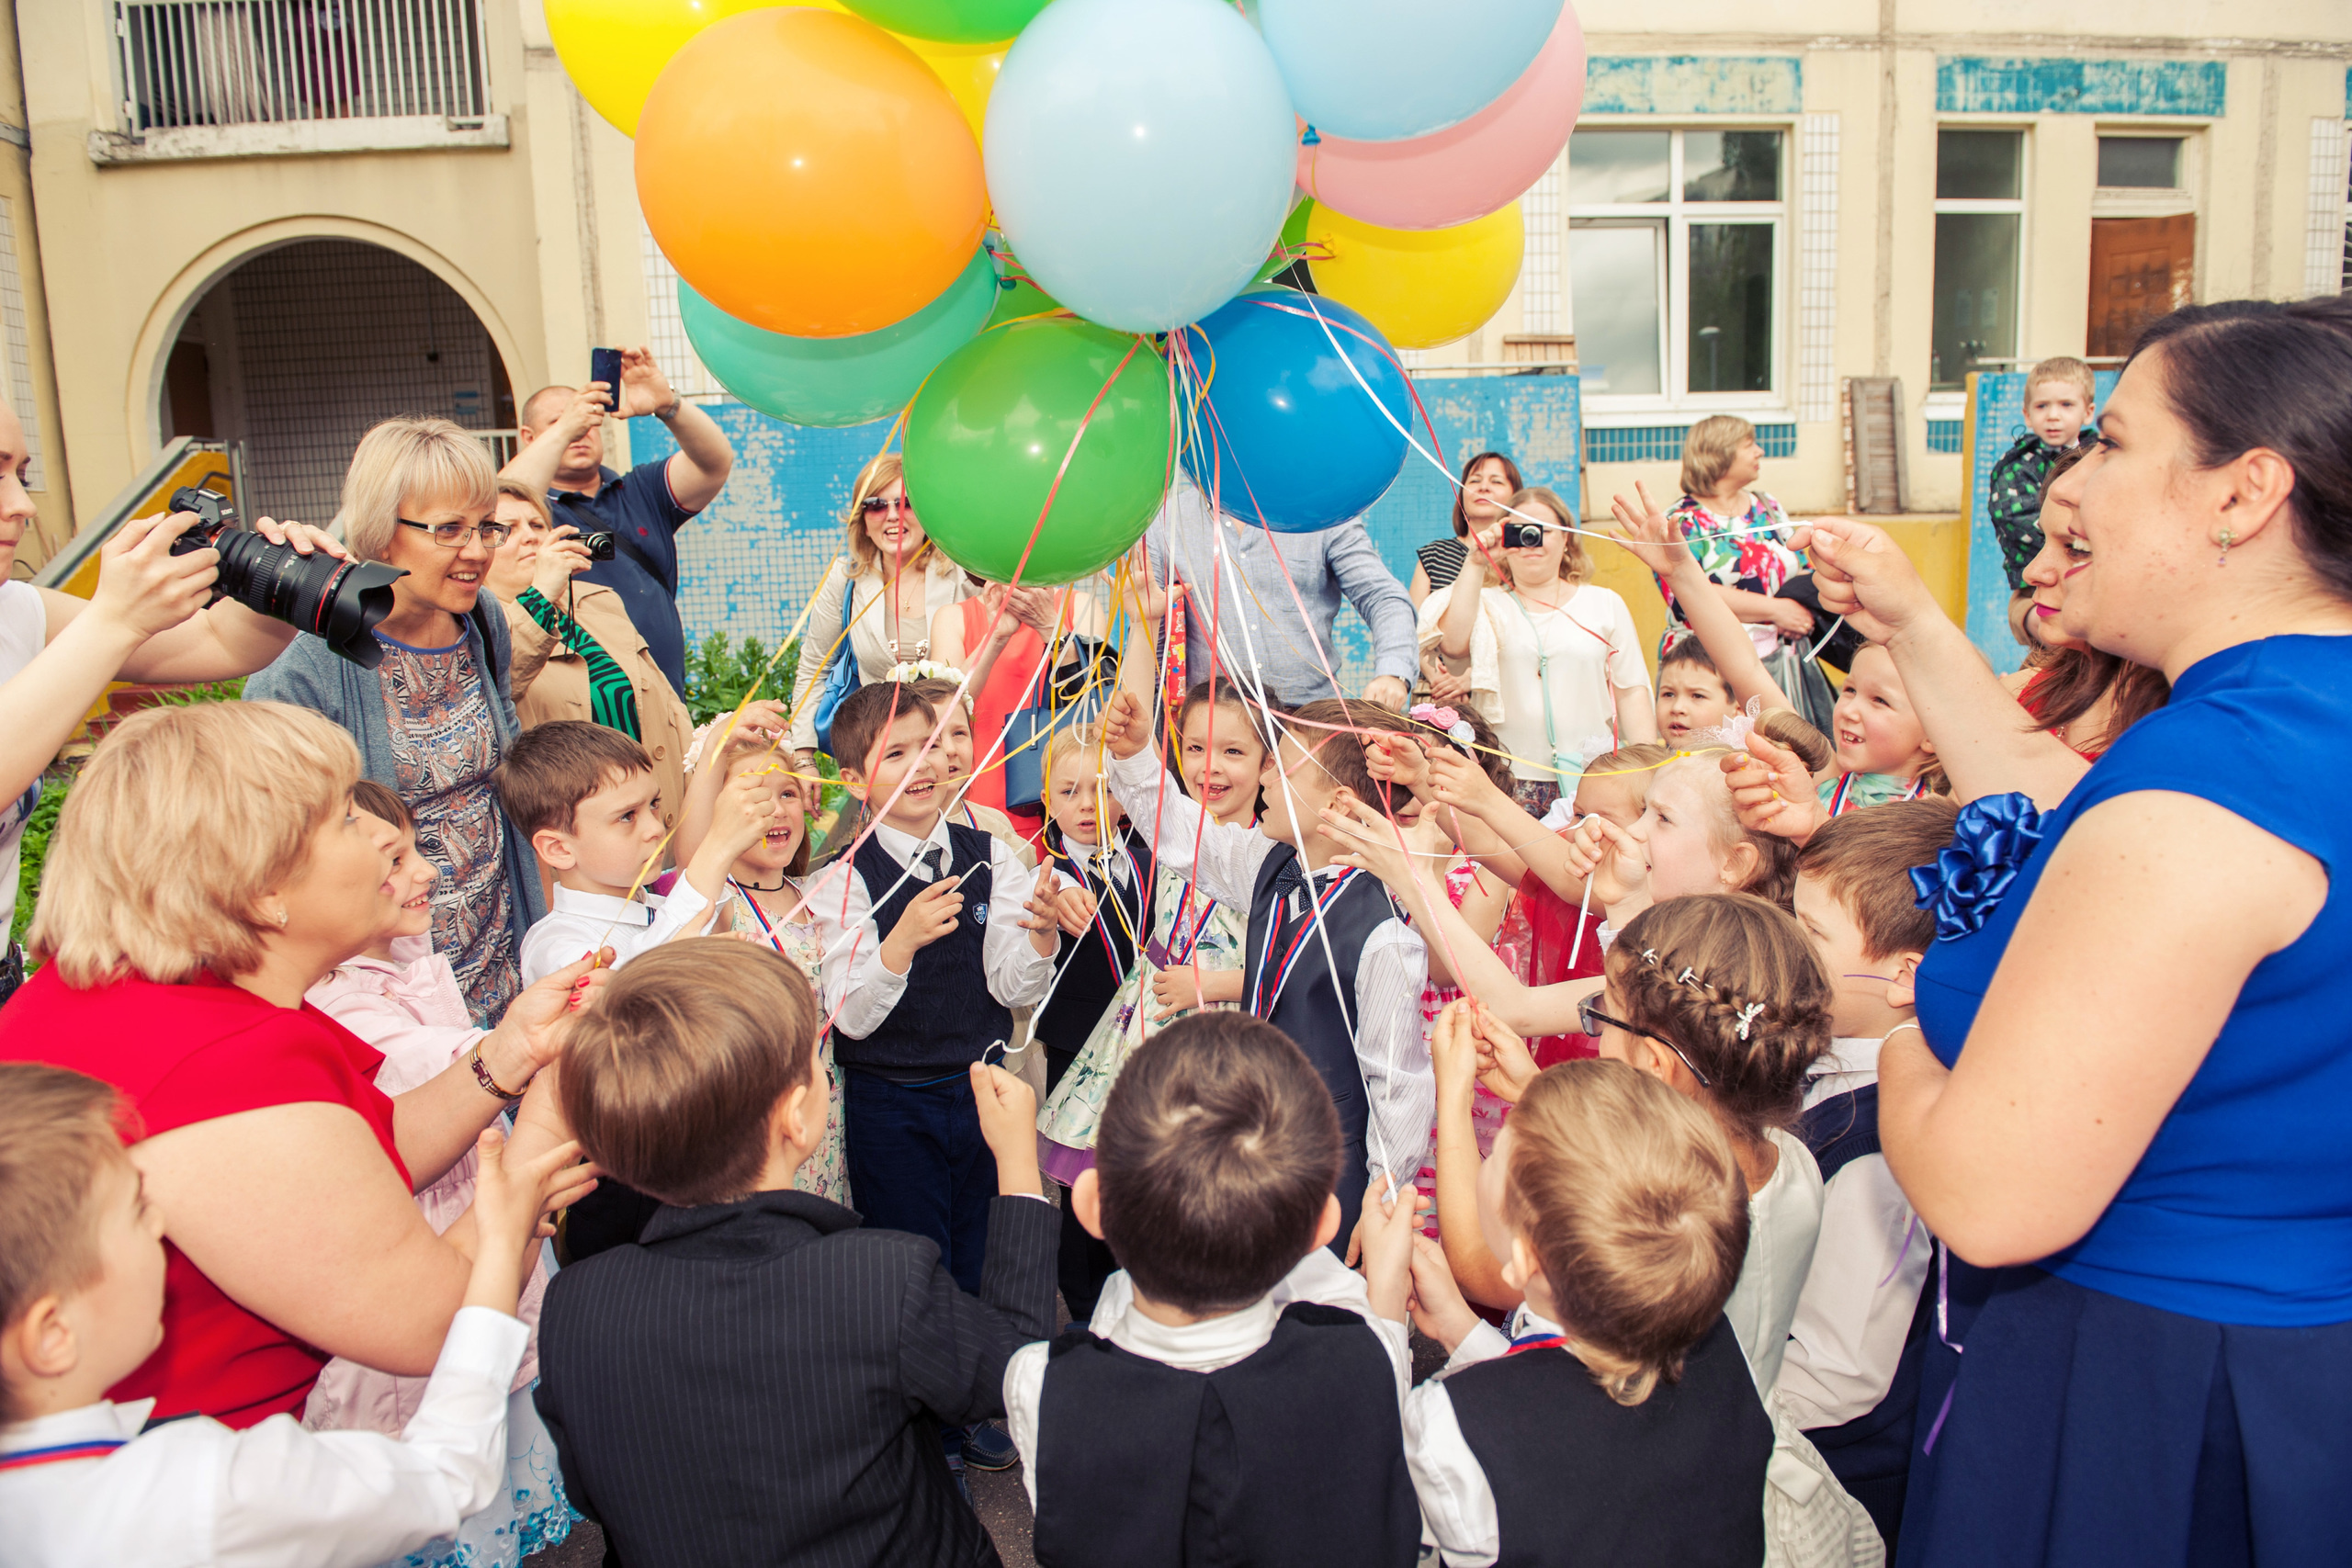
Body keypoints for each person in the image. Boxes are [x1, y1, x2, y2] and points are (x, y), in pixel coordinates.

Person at [1859, 297, 2352, 1566]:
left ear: (2241, 495)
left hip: (2144, 1395)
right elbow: (2057, 808)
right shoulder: (2290, 727)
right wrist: (1913, 622)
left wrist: (1906, 1042)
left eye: (2114, 442)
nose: (2069, 479)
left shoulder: (2212, 783)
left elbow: (1991, 1192)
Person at [0, 701, 605, 1435]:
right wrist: (549, 1115)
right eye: (346, 817)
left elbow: (361, 1156)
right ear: (263, 888)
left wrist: (511, 1053)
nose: (386, 832)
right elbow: (430, 1319)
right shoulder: (225, 1063)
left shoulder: (136, 991)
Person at [532, 941, 1058, 1568]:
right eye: (814, 1055)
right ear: (795, 1119)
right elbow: (1019, 1365)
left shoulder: (574, 1301)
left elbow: (594, 1490)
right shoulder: (881, 1279)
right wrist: (1019, 1166)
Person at [0, 1062, 593, 1568]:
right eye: (135, 1216)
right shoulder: (205, 1490)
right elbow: (446, 1476)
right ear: (52, 1336)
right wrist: (500, 1238)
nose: (159, 1227)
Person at [1001, 1011, 1421, 1568]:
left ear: (1091, 1207)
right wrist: (1387, 1279)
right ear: (1322, 1228)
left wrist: (1015, 1164)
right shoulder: (1366, 1359)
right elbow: (1385, 1348)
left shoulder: (1041, 1386)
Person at [301, 781, 575, 1568]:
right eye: (395, 857)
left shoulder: (405, 958)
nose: (426, 871)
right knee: (447, 1472)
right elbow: (443, 1070)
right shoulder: (337, 1006)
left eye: (417, 848)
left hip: (478, 1239)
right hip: (422, 1284)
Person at [1394, 1049, 1771, 1568]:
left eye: (1498, 1151)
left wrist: (1382, 1326)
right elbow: (1566, 1387)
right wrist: (1463, 1330)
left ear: (1526, 1259)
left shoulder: (1448, 1425)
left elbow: (1376, 1522)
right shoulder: (1723, 1346)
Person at [1100, 687, 1435, 1250]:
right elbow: (1185, 836)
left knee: (1328, 1310)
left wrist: (1382, 1197)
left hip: (1332, 1171)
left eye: (1283, 768)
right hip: (1258, 1148)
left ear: (1339, 803)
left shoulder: (1383, 932)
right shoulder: (1271, 864)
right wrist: (1136, 756)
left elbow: (1398, 1084)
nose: (1265, 778)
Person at [246, 416, 544, 1024]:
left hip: (499, 946)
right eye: (449, 530)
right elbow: (270, 847)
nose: (478, 551)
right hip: (389, 988)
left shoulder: (481, 619)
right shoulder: (304, 665)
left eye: (486, 526)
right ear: (383, 533)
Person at [0, 400, 342, 924]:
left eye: (21, 474)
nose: (23, 504)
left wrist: (290, 582)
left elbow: (214, 641)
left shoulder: (17, 610)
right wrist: (114, 619)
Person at [804, 682, 1059, 1299]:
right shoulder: (841, 879)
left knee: (984, 1254)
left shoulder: (992, 854)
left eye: (930, 747)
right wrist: (902, 942)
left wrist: (1041, 937)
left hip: (982, 1090)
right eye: (896, 755)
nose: (923, 765)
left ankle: (989, 1384)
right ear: (855, 778)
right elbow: (852, 1018)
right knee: (910, 1267)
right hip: (890, 1103)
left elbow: (1009, 980)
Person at [1779, 799, 1957, 1552]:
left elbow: (1836, 1374)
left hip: (1825, 1487)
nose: (1783, 944)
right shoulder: (1824, 1070)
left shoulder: (1886, 1148)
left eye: (1810, 933)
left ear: (1904, 976)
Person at [1036, 680, 1263, 1185]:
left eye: (1233, 751)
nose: (1211, 766)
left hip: (1223, 1036)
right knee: (1125, 1188)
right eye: (1197, 748)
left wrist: (1208, 985)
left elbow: (1291, 964)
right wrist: (1142, 613)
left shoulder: (1274, 854)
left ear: (1268, 763)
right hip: (1147, 1023)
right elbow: (1135, 756)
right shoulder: (1172, 832)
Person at [680, 728, 849, 1205]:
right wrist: (716, 747)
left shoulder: (819, 895)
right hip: (755, 1115)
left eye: (788, 792)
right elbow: (691, 857)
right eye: (753, 795)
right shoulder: (717, 903)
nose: (777, 809)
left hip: (826, 1110)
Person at [501, 349, 735, 693]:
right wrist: (568, 426)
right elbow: (500, 499)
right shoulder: (529, 515)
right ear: (529, 438)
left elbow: (714, 463)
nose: (580, 431)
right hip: (578, 712)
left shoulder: (639, 489)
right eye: (558, 421)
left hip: (662, 700)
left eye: (588, 420)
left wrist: (667, 403)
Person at [1429, 484, 1657, 815]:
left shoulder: (1605, 604)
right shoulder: (1487, 603)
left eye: (1543, 530)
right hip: (1503, 779)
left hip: (1589, 779)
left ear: (1566, 539)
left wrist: (1645, 771)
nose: (1531, 540)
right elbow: (1451, 646)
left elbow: (1631, 691)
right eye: (1519, 531)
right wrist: (1477, 561)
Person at [484, 479, 695, 836]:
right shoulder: (478, 626)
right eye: (504, 530)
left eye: (537, 525)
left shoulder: (598, 600)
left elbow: (671, 709)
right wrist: (540, 594)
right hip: (576, 848)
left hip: (658, 826)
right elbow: (499, 685)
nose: (530, 537)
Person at [504, 720, 775, 987]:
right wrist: (719, 846)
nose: (656, 828)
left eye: (654, 804)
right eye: (627, 816)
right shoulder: (555, 946)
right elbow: (640, 984)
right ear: (559, 849)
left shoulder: (659, 909)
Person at [1030, 726, 1149, 1320]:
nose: (1087, 805)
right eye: (1070, 791)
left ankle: (1138, 1287)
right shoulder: (1046, 878)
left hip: (1141, 1049)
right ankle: (1081, 1301)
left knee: (1135, 1165)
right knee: (1080, 1177)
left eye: (1102, 789)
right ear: (1047, 799)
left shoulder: (1151, 864)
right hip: (1075, 1050)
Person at [1146, 476, 1418, 710]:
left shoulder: (1321, 509)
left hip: (1309, 724)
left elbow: (1383, 598)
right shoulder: (1166, 521)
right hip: (1213, 731)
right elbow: (1153, 648)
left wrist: (1393, 673)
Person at [787, 454, 973, 762]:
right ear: (862, 521)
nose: (892, 516)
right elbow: (813, 670)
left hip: (960, 753)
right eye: (876, 505)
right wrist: (803, 757)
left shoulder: (964, 572)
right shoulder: (846, 578)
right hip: (884, 759)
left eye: (906, 504)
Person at [931, 576, 1111, 838]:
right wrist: (996, 635)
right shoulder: (953, 617)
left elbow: (1097, 701)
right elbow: (943, 711)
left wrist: (1050, 624)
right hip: (983, 791)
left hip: (1074, 802)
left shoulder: (1080, 605)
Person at [1985, 355, 2097, 597]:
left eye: (2066, 405)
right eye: (2042, 406)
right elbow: (2016, 518)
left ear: (2088, 412)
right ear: (2027, 415)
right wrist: (2082, 543)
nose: (2053, 416)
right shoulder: (2017, 467)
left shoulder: (2100, 456)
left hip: (2091, 576)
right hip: (2036, 582)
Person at [1409, 450, 1521, 608]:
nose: (1483, 487)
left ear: (1516, 496)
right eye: (1475, 481)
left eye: (1496, 482)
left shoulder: (1524, 554)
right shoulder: (1435, 556)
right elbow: (1415, 628)